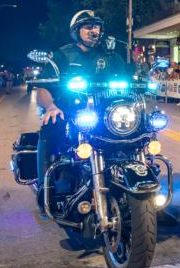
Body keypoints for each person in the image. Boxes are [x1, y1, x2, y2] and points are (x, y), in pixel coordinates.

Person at [35, 10, 132, 206]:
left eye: (96, 27)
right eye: (88, 27)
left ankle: (145, 189)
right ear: (76, 31)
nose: (93, 31)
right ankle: (47, 190)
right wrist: (51, 106)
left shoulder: (112, 56)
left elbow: (130, 83)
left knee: (141, 131)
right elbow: (42, 89)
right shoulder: (63, 55)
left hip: (106, 116)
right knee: (50, 127)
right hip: (70, 113)